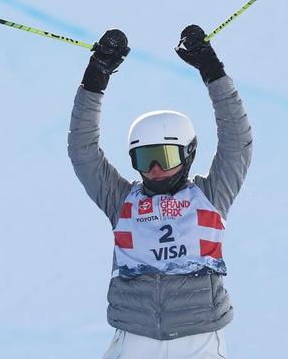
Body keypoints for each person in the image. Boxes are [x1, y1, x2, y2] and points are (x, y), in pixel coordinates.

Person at [67, 25, 253, 358]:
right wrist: (96, 76)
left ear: (188, 153)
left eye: (165, 157)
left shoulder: (210, 196)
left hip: (198, 339)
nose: (154, 169)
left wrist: (211, 69)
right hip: (135, 337)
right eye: (144, 159)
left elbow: (237, 143)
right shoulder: (122, 202)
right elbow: (83, 152)